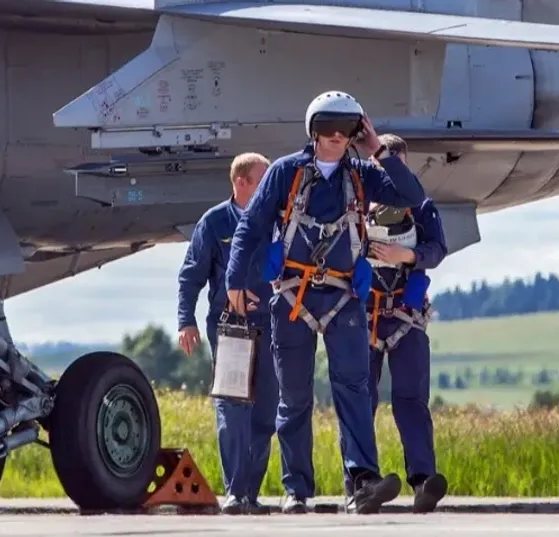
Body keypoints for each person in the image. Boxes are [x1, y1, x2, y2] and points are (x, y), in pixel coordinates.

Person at [224, 91, 427, 515]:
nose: (336, 137)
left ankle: (362, 481)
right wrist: (234, 280)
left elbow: (410, 196)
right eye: (328, 129)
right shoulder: (285, 173)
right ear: (313, 131)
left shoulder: (362, 173)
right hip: (293, 296)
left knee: (354, 388)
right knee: (294, 396)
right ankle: (296, 488)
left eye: (345, 130)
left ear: (355, 131)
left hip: (345, 296)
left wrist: (377, 150)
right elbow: (250, 227)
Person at [176, 152, 278, 515]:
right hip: (230, 328)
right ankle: (235, 492)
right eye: (264, 181)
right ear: (241, 183)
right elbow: (191, 275)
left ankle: (251, 492)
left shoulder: (277, 220)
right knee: (233, 408)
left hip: (273, 325)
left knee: (266, 412)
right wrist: (185, 320)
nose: (272, 188)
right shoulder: (215, 223)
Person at [356, 133, 449, 513]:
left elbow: (437, 249)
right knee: (360, 400)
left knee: (411, 400)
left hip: (406, 317)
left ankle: (423, 480)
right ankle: (363, 482)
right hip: (360, 318)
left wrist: (405, 255)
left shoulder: (421, 206)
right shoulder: (355, 201)